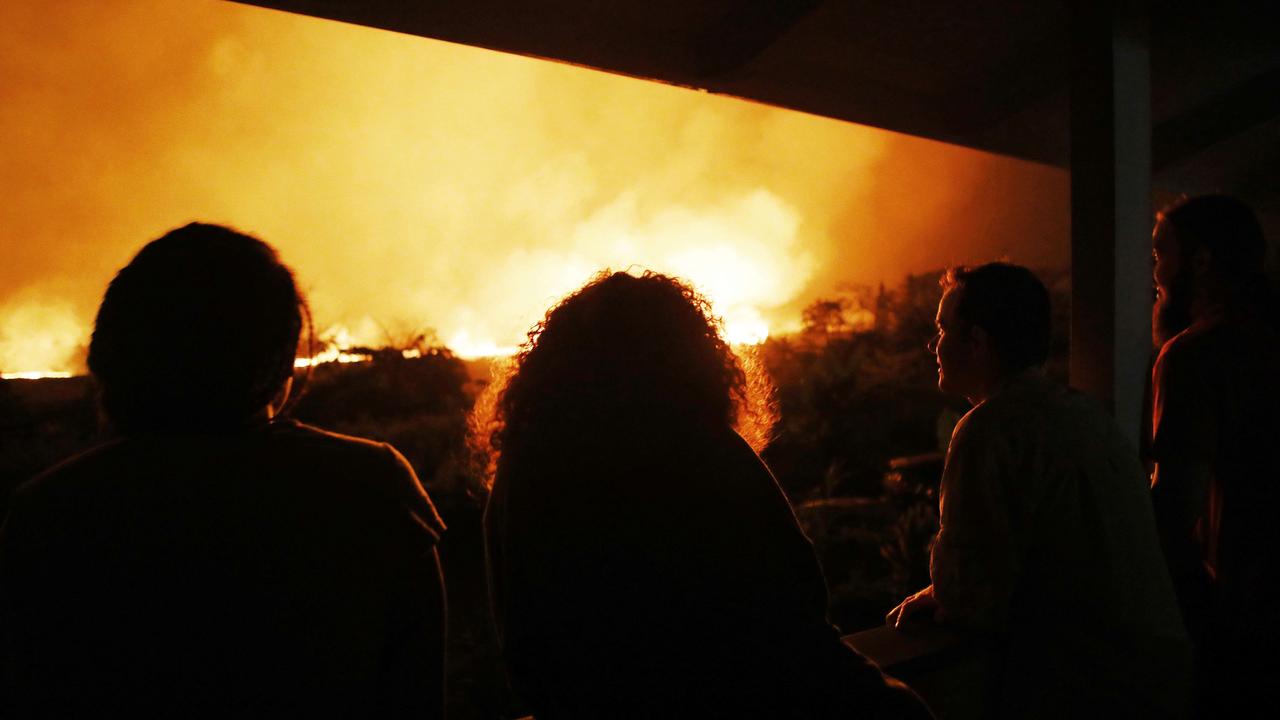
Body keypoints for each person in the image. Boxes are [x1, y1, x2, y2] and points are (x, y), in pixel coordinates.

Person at [0, 223, 446, 717]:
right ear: (279, 364)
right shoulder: (371, 487)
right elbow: (417, 691)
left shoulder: (48, 512)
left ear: (113, 358)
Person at [476, 270, 930, 719]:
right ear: (688, 357)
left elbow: (526, 644)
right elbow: (791, 602)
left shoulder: (524, 470)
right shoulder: (702, 448)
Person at [887, 263, 1189, 718]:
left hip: (1088, 690)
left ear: (977, 340)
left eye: (944, 329)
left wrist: (943, 593)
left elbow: (970, 595)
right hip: (1159, 677)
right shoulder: (1081, 414)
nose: (934, 346)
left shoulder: (989, 430)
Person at [1149, 195, 1280, 714]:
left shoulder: (1193, 357)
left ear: (1200, 261)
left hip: (1244, 624)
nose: (1155, 273)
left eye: (1161, 254)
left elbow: (1174, 509)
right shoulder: (1267, 340)